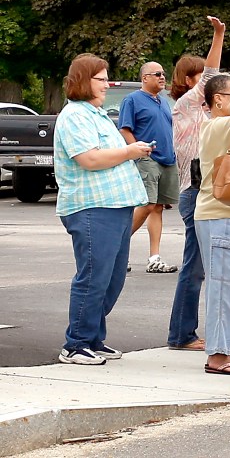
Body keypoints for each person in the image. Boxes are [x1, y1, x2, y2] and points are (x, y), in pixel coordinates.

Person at [54, 54, 152, 365]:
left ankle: (94, 338)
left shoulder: (96, 114)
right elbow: (90, 159)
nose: (106, 84)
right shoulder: (74, 116)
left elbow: (108, 155)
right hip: (92, 207)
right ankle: (76, 344)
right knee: (94, 277)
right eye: (100, 79)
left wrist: (132, 152)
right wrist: (130, 151)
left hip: (116, 206)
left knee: (112, 278)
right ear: (83, 81)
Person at [166, 16, 226, 351]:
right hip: (195, 192)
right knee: (195, 267)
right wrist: (218, 35)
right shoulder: (187, 106)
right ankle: (182, 334)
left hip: (204, 192)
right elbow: (212, 74)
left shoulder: (207, 112)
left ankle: (183, 332)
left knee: (198, 266)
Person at [195, 73, 230, 375]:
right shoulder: (219, 125)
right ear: (219, 99)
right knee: (222, 288)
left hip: (224, 215)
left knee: (225, 286)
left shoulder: (225, 126)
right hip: (221, 216)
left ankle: (222, 350)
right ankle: (217, 354)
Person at [118, 62, 179, 273]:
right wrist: (138, 150)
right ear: (145, 78)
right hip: (147, 159)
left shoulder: (163, 102)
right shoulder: (132, 100)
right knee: (146, 204)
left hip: (167, 160)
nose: (163, 77)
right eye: (158, 74)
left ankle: (154, 258)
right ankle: (117, 249)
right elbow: (125, 129)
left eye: (164, 74)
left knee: (158, 207)